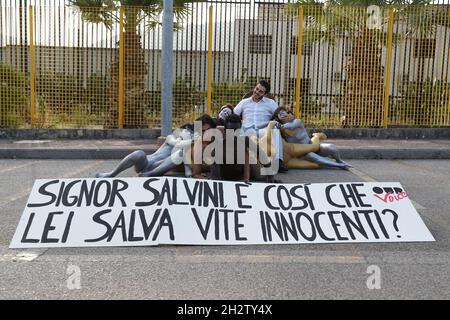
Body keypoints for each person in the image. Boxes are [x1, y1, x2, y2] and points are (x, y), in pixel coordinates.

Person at [95, 124, 194, 178]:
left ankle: (149, 175)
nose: (187, 133)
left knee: (181, 153)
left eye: (190, 132)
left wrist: (188, 174)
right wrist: (191, 140)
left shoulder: (186, 146)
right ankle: (111, 174)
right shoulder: (171, 137)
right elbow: (175, 142)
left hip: (158, 167)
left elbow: (185, 158)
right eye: (186, 131)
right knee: (139, 153)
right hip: (147, 162)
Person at [233, 80, 288, 172]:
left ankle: (278, 161)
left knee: (274, 130)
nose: (257, 92)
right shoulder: (244, 102)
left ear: (265, 94)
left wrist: (282, 117)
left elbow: (280, 114)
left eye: (261, 91)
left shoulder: (270, 103)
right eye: (257, 89)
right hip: (246, 130)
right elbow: (233, 114)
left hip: (263, 130)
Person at [273, 106, 352, 169]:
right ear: (278, 118)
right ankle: (338, 165)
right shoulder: (281, 131)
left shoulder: (297, 121)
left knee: (332, 147)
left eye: (285, 112)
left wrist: (280, 125)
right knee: (311, 155)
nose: (283, 114)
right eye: (280, 114)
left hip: (312, 145)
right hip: (302, 153)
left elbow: (291, 126)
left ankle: (339, 160)